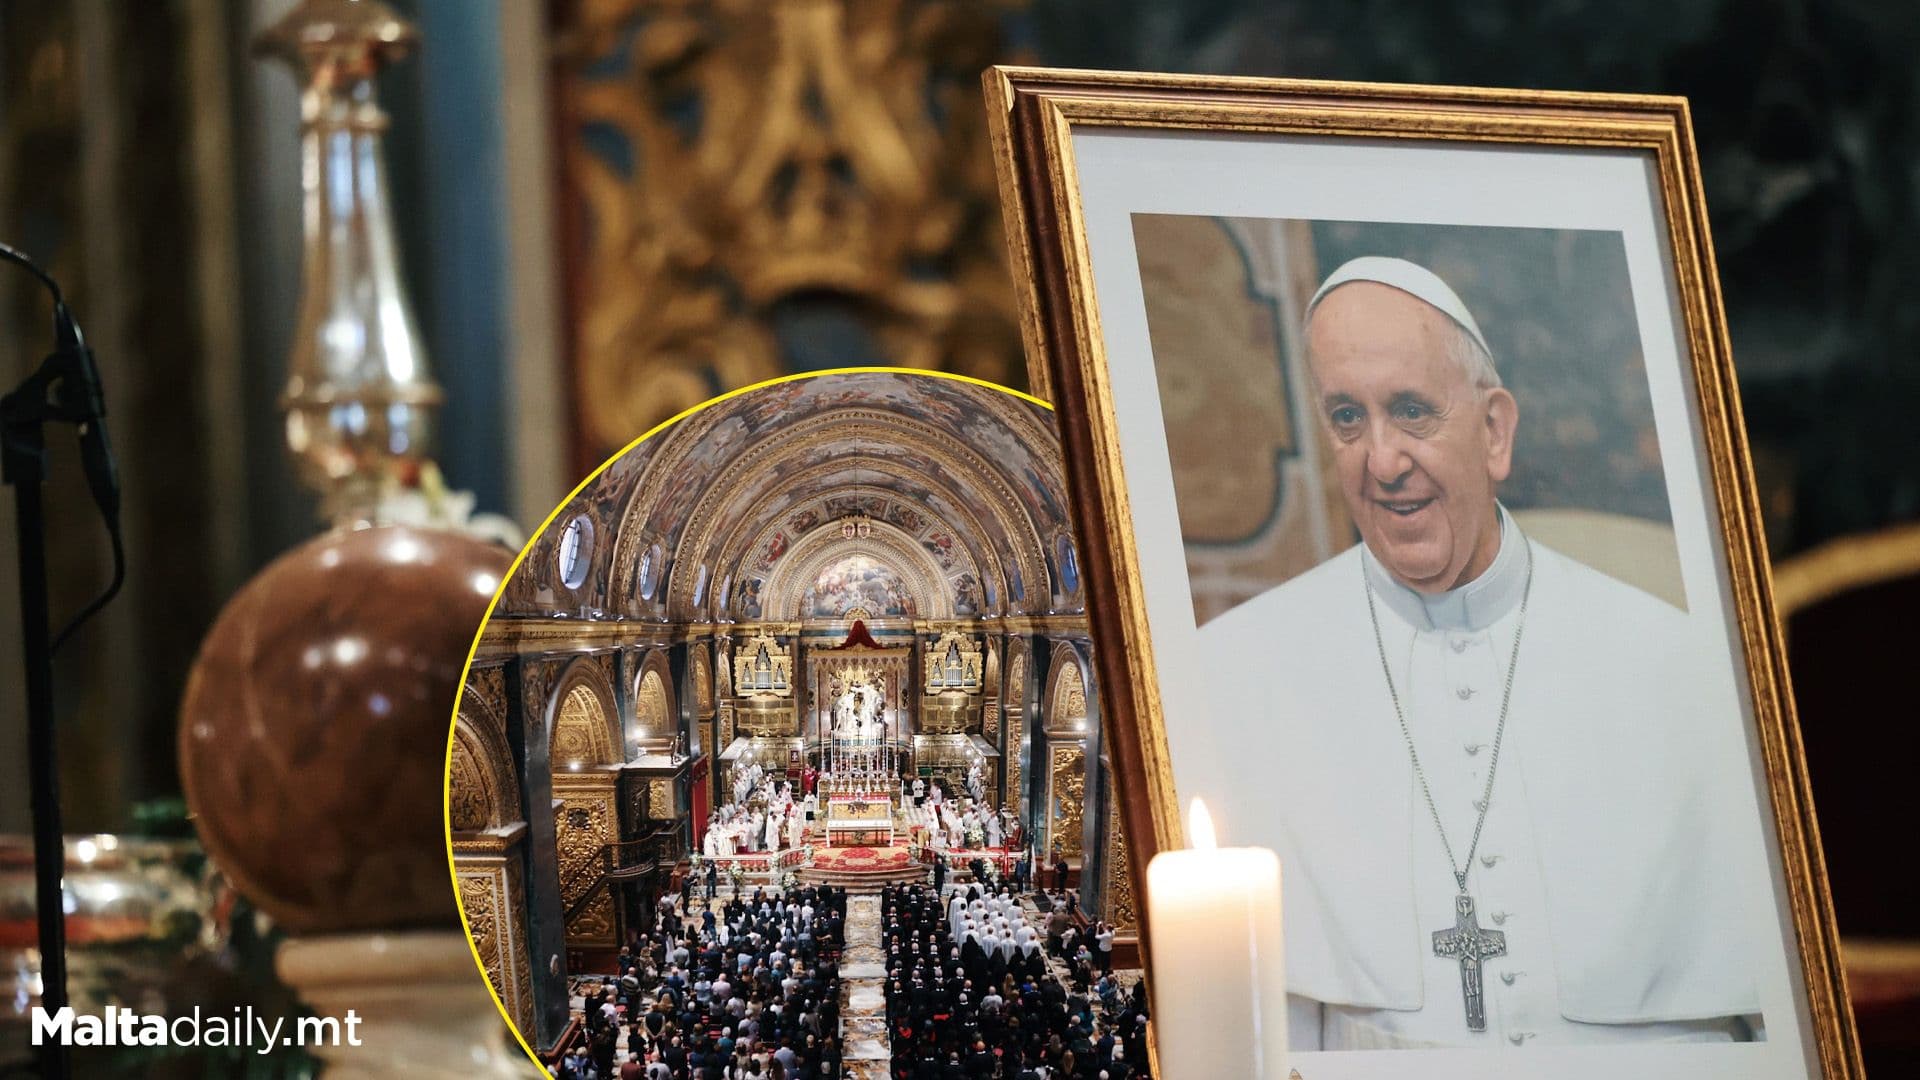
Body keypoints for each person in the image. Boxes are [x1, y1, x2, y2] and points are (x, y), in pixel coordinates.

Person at [1205, 256, 1761, 1049]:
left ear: (1494, 430)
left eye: (1411, 410)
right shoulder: (1239, 670)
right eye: (1347, 418)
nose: (1382, 461)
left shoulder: (1682, 666)